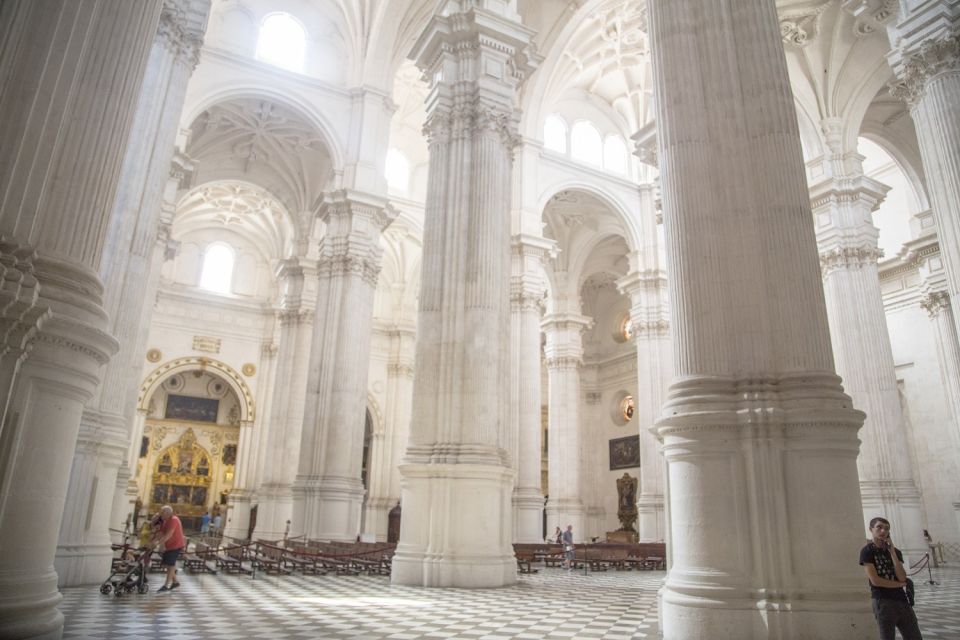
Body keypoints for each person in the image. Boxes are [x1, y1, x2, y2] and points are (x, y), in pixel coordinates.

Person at [859, 517, 922, 640]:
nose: (883, 531)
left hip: (902, 600)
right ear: (871, 529)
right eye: (879, 527)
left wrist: (892, 551)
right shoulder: (867, 551)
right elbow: (875, 581)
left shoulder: (896, 552)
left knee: (914, 636)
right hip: (882, 601)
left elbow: (902, 576)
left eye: (886, 529)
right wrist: (900, 584)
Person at [152, 505, 186, 592]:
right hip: (169, 545)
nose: (160, 514)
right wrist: (153, 541)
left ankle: (166, 585)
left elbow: (169, 534)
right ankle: (175, 582)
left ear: (167, 513)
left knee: (171, 565)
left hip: (176, 545)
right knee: (168, 564)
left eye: (162, 512)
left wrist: (158, 543)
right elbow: (161, 533)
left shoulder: (174, 520)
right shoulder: (166, 521)